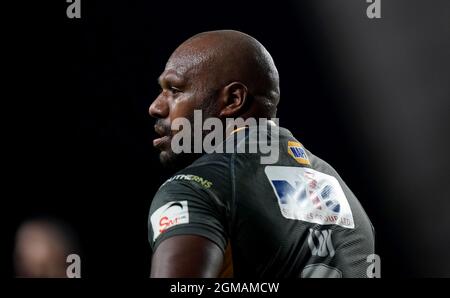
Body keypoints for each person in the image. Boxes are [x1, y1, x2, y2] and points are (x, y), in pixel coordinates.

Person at [148, 30, 375, 278]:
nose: (156, 107)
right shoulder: (348, 200)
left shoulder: (198, 188)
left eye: (175, 90)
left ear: (234, 99)